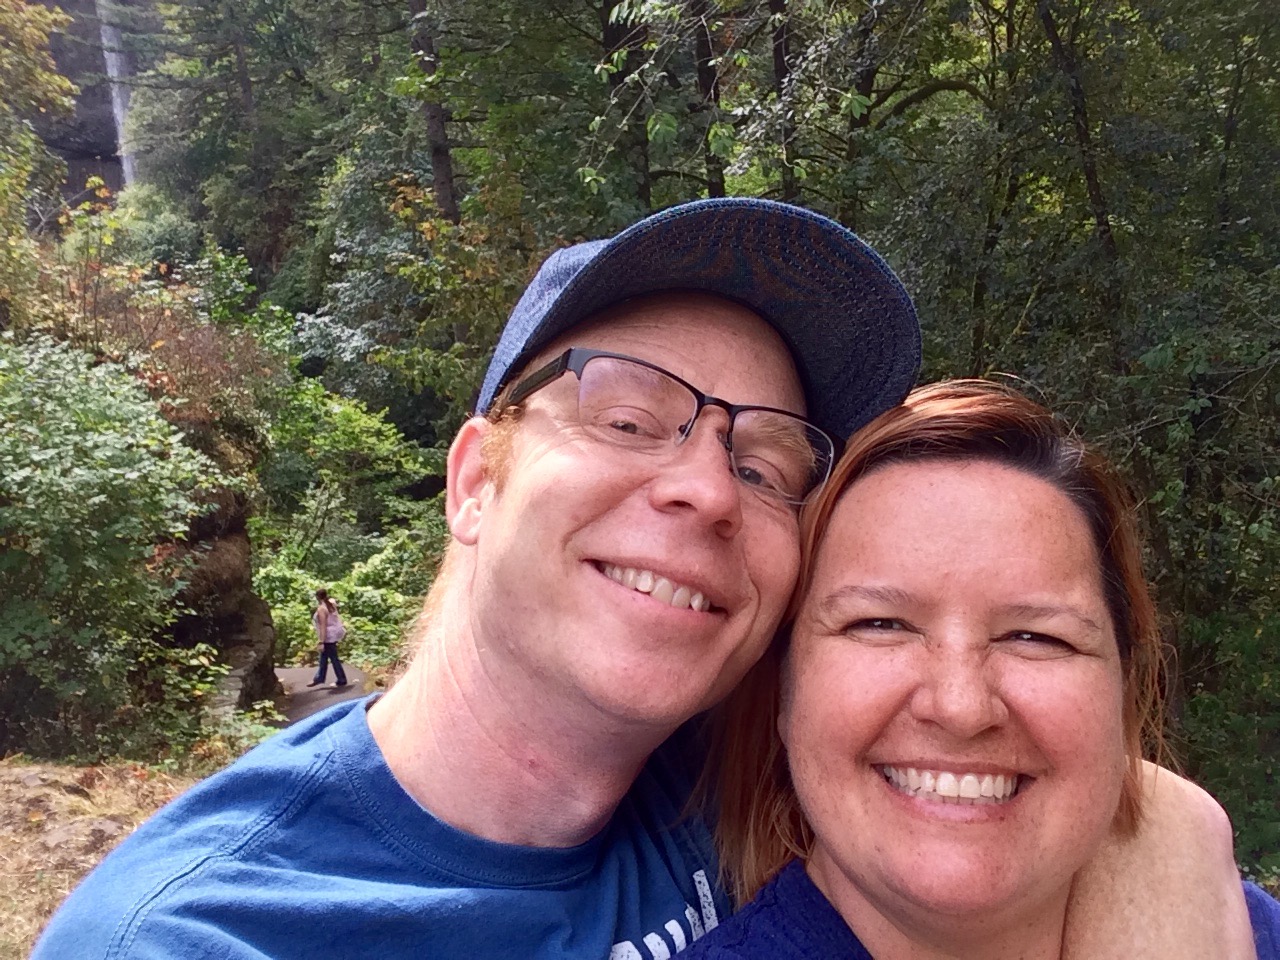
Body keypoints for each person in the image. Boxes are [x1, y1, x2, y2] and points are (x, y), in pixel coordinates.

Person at [34, 200, 1250, 959]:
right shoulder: (198, 937)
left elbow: (1038, 764)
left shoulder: (743, 776)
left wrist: (1171, 833)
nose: (706, 490)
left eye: (765, 463)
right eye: (625, 418)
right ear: (474, 481)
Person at [685, 380, 1277, 960]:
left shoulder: (1245, 929)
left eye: (1036, 637)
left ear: (1123, 688)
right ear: (784, 692)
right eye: (880, 624)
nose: (961, 708)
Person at [307, 587, 349, 688]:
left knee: (333, 658)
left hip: (328, 636)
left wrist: (321, 641)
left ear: (317, 597)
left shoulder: (322, 609)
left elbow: (323, 626)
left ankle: (341, 679)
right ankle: (319, 678)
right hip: (333, 634)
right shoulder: (331, 604)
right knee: (324, 657)